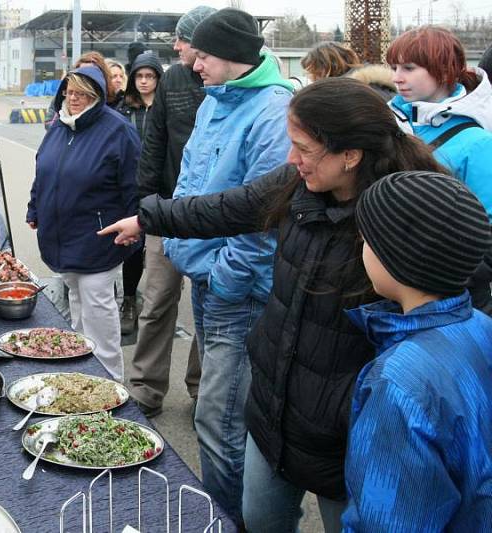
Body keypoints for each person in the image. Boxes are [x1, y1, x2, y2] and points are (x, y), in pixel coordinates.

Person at [99, 77, 448, 532]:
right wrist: (148, 218)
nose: (290, 159)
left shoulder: (404, 215)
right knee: (260, 518)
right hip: (276, 408)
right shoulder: (299, 183)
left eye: (303, 148)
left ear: (350, 154)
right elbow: (223, 208)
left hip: (345, 433)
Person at [138, 8, 292, 525]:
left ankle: (226, 520)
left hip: (236, 290)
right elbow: (189, 182)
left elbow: (265, 219)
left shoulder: (274, 112)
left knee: (218, 423)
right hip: (205, 279)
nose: (192, 64)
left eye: (201, 54)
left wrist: (225, 275)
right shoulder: (213, 101)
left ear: (232, 55)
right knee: (223, 418)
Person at [343, 171, 492, 531]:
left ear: (396, 258)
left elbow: (390, 519)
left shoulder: (398, 384)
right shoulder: (479, 325)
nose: (361, 245)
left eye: (368, 238)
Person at [127, 5, 215, 420]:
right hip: (167, 210)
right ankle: (146, 387)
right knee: (158, 300)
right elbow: (155, 140)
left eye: (183, 38)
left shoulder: (228, 83)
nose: (176, 45)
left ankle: (201, 389)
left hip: (215, 218)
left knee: (210, 308)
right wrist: (147, 205)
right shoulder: (175, 78)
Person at [27, 65, 140, 382]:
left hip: (98, 239)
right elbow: (43, 171)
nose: (74, 98)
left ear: (98, 96)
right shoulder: (59, 125)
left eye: (82, 94)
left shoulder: (117, 131)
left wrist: (136, 229)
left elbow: (135, 187)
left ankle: (110, 385)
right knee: (77, 310)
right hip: (61, 237)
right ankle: (81, 378)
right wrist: (35, 207)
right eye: (70, 91)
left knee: (98, 314)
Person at [386, 26, 492, 311]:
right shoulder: (391, 124)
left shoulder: (478, 142)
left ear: (443, 69)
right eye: (394, 67)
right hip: (395, 282)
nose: (397, 77)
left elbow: (488, 233)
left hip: (450, 296)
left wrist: (444, 277)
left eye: (409, 67)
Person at [115, 51, 163, 335]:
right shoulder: (125, 108)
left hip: (159, 185)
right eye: (140, 76)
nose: (144, 82)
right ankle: (129, 300)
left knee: (158, 246)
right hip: (130, 185)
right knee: (132, 244)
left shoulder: (165, 107)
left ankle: (157, 302)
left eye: (150, 76)